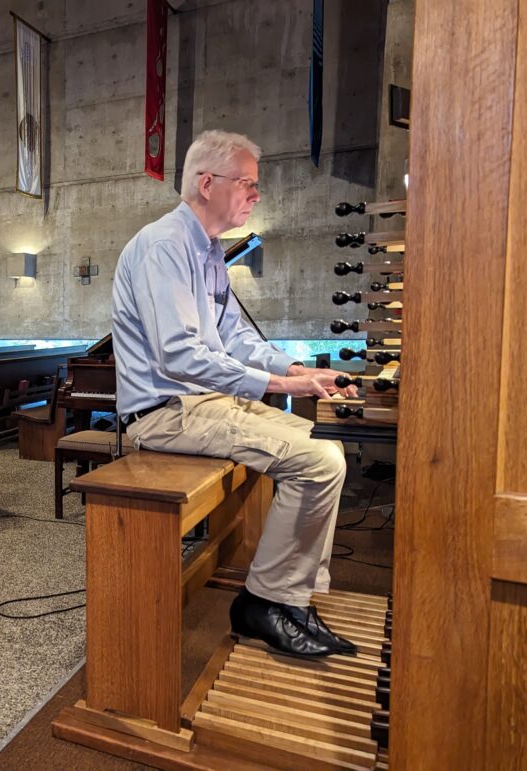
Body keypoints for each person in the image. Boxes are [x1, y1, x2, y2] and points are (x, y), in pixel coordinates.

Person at [112, 130, 358, 658]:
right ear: (207, 183)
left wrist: (296, 369)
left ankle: (290, 599)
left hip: (202, 404)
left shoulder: (207, 250)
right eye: (247, 183)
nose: (255, 194)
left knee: (327, 447)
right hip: (165, 413)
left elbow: (236, 338)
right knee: (316, 462)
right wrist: (278, 385)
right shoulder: (163, 246)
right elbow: (177, 356)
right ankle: (265, 603)